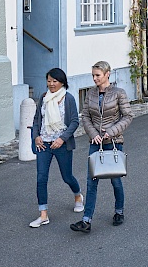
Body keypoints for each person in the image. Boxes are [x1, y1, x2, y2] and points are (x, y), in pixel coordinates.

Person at [70, 61, 133, 234]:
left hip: (114, 142)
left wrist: (111, 132)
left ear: (107, 74)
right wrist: (93, 134)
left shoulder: (119, 93)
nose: (95, 78)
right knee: (92, 181)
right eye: (93, 75)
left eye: (97, 75)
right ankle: (86, 220)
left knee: (115, 179)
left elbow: (128, 116)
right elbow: (85, 117)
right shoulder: (90, 94)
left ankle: (119, 211)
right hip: (95, 143)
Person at [30, 68, 84, 228]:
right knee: (41, 178)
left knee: (67, 176)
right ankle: (43, 214)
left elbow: (74, 121)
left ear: (62, 82)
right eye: (49, 81)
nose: (51, 84)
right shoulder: (43, 97)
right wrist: (36, 136)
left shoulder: (69, 99)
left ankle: (78, 196)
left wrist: (62, 139)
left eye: (55, 81)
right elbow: (36, 120)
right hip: (44, 144)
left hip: (61, 144)